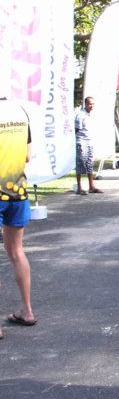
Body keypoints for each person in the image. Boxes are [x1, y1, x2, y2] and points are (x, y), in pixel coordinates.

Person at [0, 100, 37, 340]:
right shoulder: (20, 112)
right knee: (17, 252)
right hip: (18, 192)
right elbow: (27, 156)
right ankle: (27, 310)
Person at [74, 97, 103, 195]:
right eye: (89, 104)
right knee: (80, 164)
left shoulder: (91, 115)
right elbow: (76, 130)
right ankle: (79, 187)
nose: (91, 106)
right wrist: (78, 142)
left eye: (93, 104)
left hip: (90, 142)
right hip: (81, 142)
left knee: (90, 164)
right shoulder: (80, 115)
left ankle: (91, 186)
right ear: (85, 104)